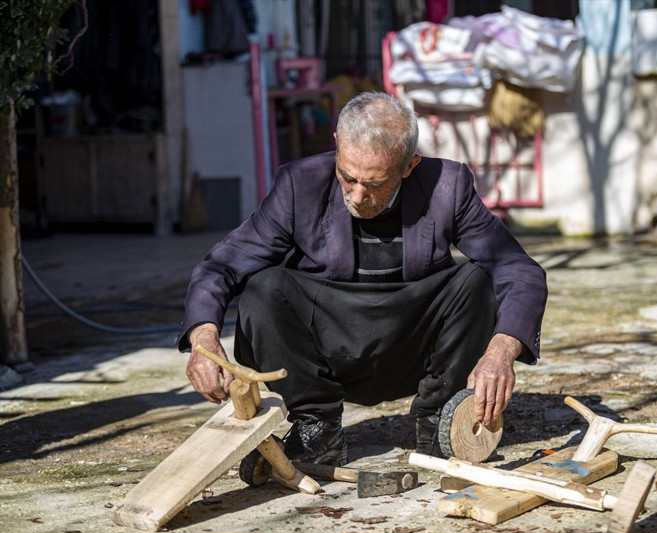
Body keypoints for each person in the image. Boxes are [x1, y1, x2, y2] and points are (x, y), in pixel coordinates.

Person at [179, 91, 547, 466]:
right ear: (338, 145)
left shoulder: (447, 186)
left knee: (476, 280)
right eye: (347, 177)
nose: (356, 195)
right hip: (328, 347)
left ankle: (440, 421)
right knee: (264, 288)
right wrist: (203, 338)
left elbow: (520, 271)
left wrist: (500, 352)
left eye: (375, 184)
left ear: (409, 165)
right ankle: (315, 427)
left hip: (413, 344)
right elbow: (221, 266)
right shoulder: (299, 184)